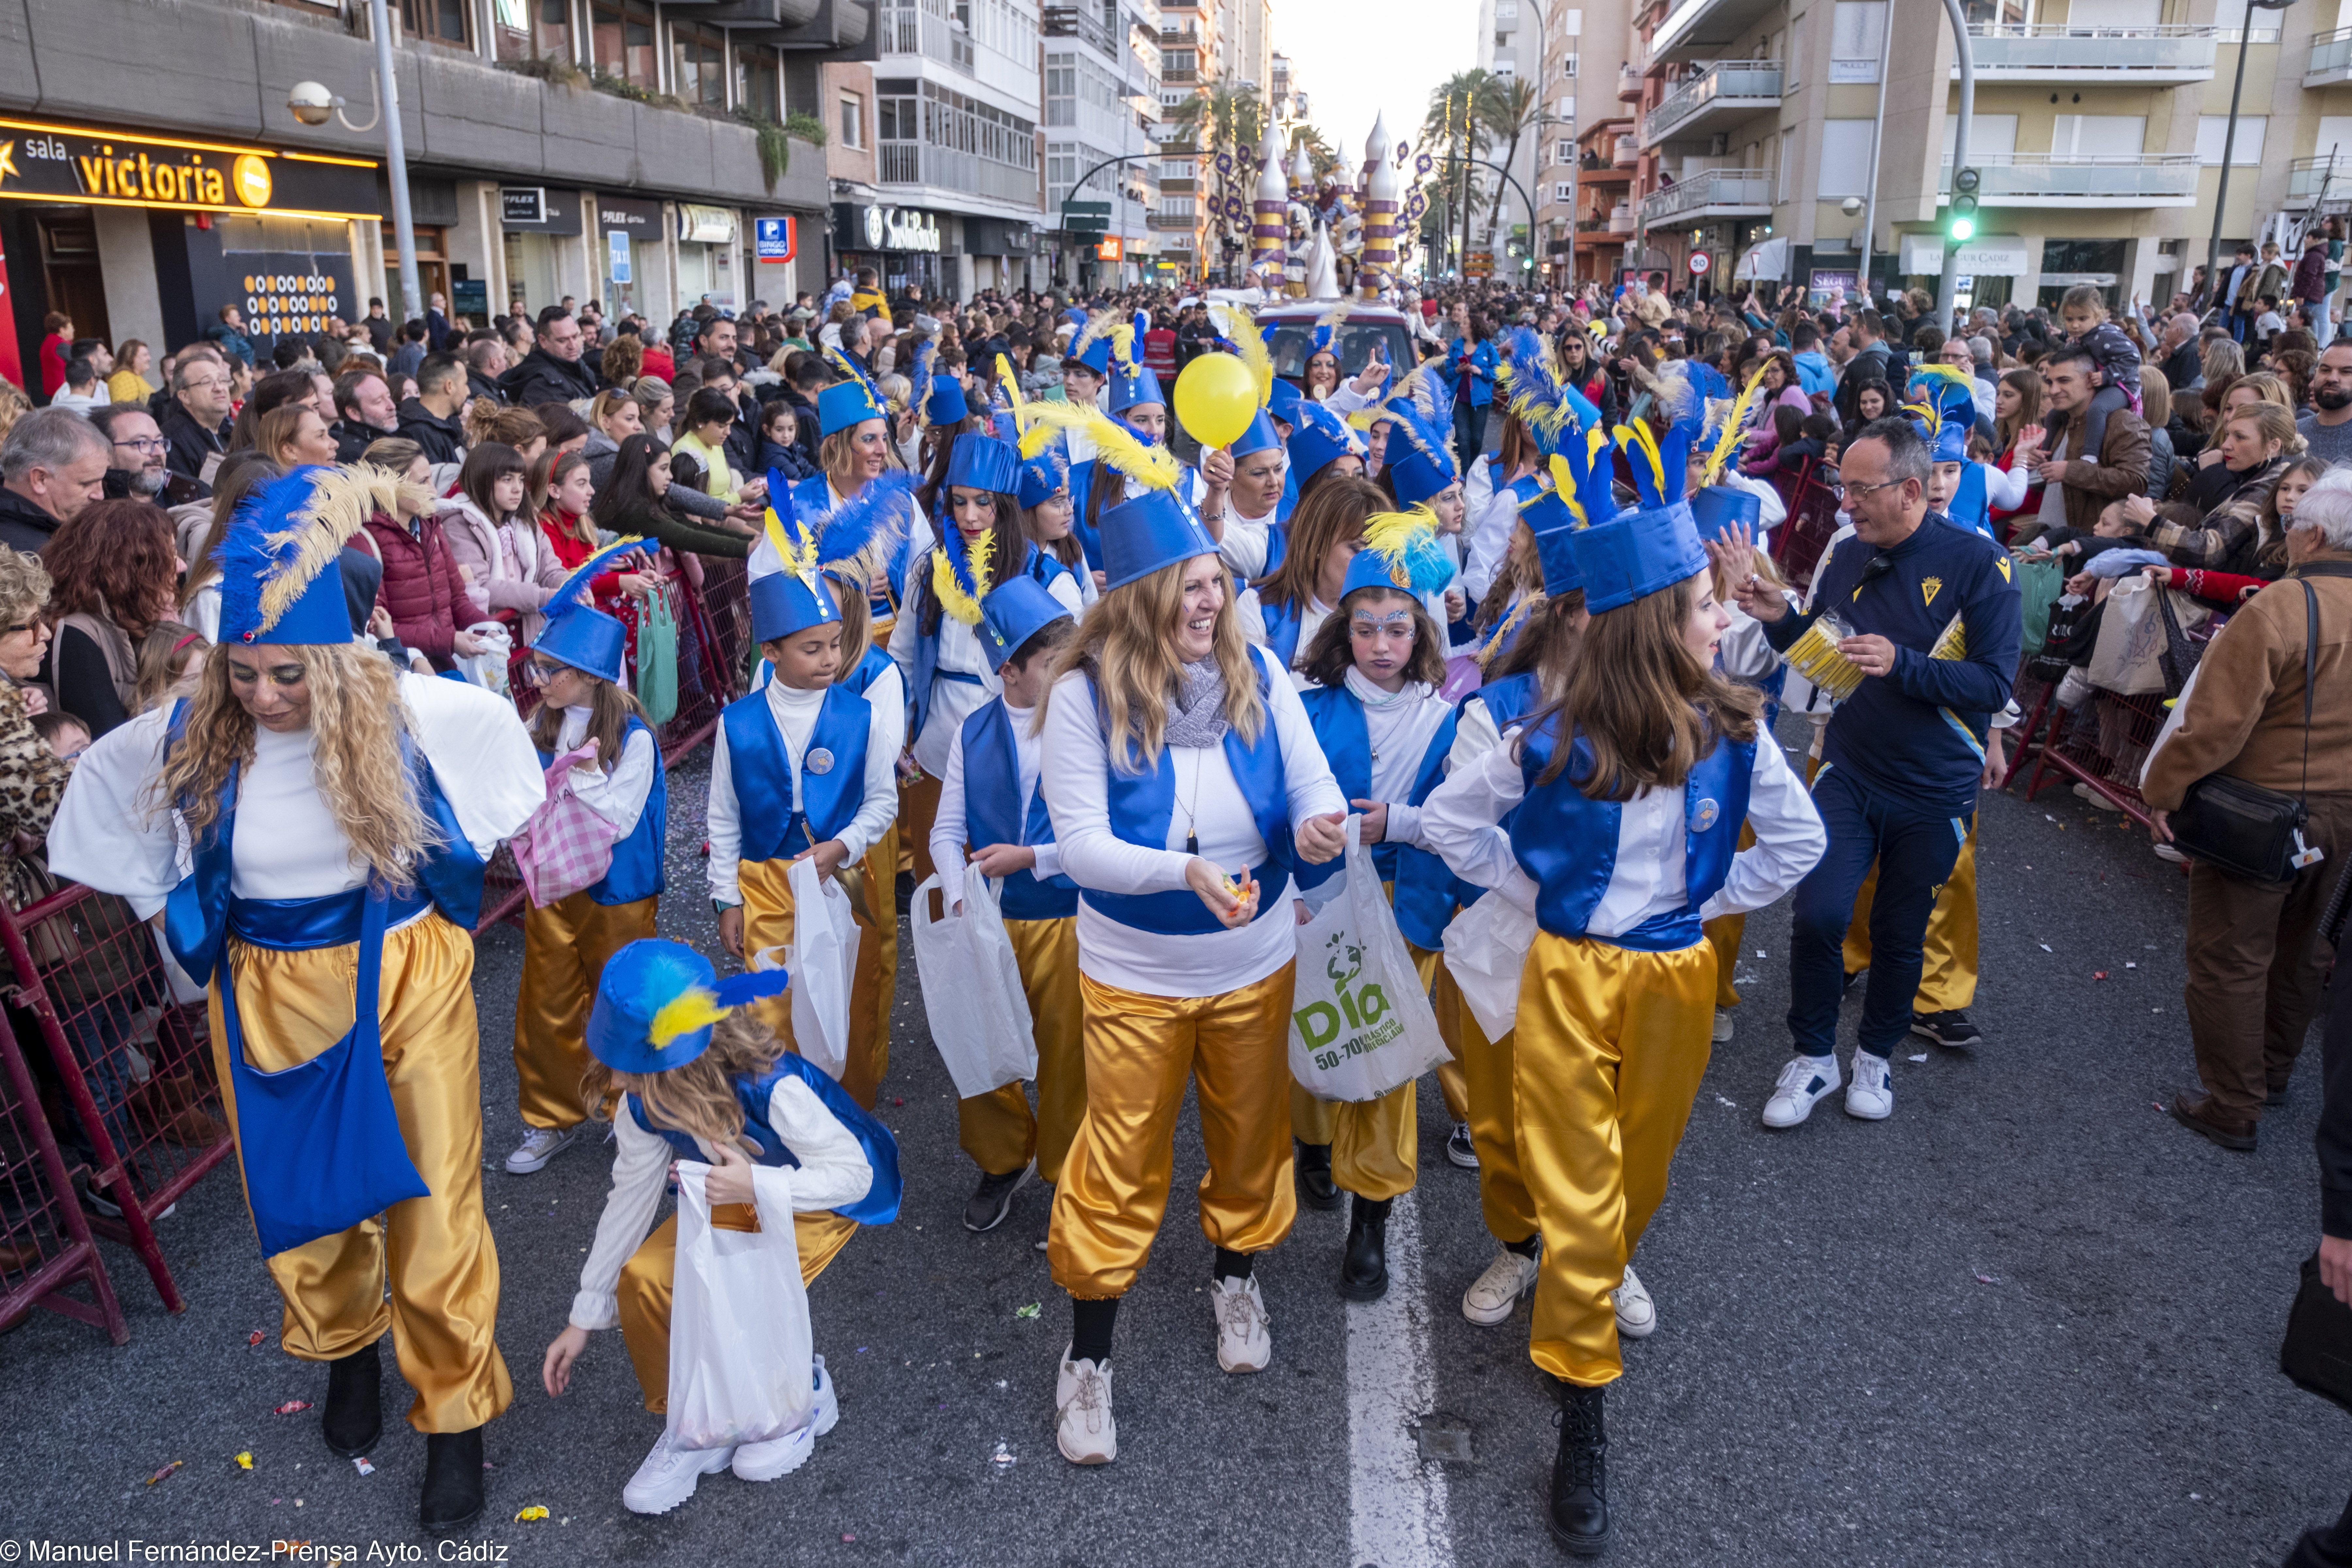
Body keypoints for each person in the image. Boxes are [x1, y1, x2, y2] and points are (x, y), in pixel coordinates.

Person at [47, 465, 543, 1533]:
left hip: (404, 976)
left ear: (337, 661)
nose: (264, 698)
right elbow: (95, 808)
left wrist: (456, 850)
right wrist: (171, 912)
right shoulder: (189, 733)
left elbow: (507, 751)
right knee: (305, 1199)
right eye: (243, 673)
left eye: (288, 676)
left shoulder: (407, 711)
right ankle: (347, 1351)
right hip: (266, 987)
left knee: (433, 1202)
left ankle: (455, 1413)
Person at [1420, 423, 1823, 1554]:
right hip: (1567, 977)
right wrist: (1541, 888)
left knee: (1635, 1178)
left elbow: (1799, 842)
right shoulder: (1549, 733)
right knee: (1584, 1194)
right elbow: (1452, 823)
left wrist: (1703, 899)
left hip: (1673, 979)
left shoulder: (1735, 727)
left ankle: (1580, 1284)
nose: (1722, 619)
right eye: (1704, 605)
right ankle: (1583, 1409)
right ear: (1657, 624)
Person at [1037, 441, 1348, 1467]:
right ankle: (1089, 1357)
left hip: (1253, 961)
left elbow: (1309, 778)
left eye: (1215, 582)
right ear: (1141, 602)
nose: (1209, 603)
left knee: (1251, 1136)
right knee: (1118, 1157)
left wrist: (1320, 824)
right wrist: (1186, 875)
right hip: (1134, 971)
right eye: (1189, 588)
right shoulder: (1082, 697)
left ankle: (1236, 1281)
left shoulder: (1258, 670)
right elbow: (1082, 847)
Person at [539, 939, 897, 1513]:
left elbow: (853, 1177)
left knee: (742, 1290)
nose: (618, 1084)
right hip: (730, 1198)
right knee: (649, 1281)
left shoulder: (771, 1086)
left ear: (674, 1066)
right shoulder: (644, 1100)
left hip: (814, 1201)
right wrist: (585, 1315)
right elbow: (629, 1199)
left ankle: (801, 1398)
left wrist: (758, 1186)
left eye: (628, 1070)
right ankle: (694, 1425)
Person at [1741, 417, 2021, 1129]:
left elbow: (1994, 685)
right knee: (1818, 914)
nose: (1846, 504)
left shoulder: (1981, 564)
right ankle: (1813, 1057)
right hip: (1850, 766)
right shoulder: (1848, 553)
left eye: (1860, 491)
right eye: (1843, 487)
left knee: (1901, 932)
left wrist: (1905, 665)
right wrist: (1781, 620)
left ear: (1911, 491)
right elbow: (1831, 660)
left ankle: (1875, 1055)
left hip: (1935, 787)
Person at [2141, 470, 2352, 1151]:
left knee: (2230, 957)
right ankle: (2272, 1071)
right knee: (2304, 953)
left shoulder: (2283, 605)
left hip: (2262, 811)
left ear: (2311, 535)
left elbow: (2213, 726)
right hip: (2345, 818)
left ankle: (2233, 1103)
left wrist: (2164, 792)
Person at [1289, 507, 1464, 1300]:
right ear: (1344, 630)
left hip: (1407, 901)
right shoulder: (1306, 705)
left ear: (1421, 631)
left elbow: (1463, 823)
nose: (1382, 644)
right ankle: (1312, 1139)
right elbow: (1275, 804)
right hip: (1320, 895)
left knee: (1385, 1055)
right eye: (1365, 629)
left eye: (1398, 628)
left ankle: (1372, 1216)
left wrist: (1399, 824)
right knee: (1319, 1028)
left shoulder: (1446, 719)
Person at [707, 491, 901, 1086]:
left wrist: (843, 847)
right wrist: (727, 898)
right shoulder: (737, 723)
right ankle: (782, 1115)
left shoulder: (860, 717)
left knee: (842, 1004)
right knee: (772, 1012)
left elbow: (883, 802)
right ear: (771, 652)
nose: (830, 659)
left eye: (835, 644)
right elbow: (724, 815)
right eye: (812, 649)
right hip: (766, 883)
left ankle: (847, 1114)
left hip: (839, 878)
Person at [925, 578, 1085, 1235]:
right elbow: (945, 831)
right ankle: (1002, 1159)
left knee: (1069, 1053)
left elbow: (1107, 838)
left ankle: (1069, 1172)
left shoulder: (1089, 726)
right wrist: (959, 895)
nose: (1066, 675)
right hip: (991, 919)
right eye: (1051, 664)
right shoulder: (974, 730)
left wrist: (1035, 859)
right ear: (1008, 670)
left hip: (1069, 919)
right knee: (984, 1042)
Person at [505, 542, 668, 1176]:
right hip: (554, 884)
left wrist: (577, 774)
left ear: (595, 674)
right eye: (539, 668)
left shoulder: (634, 737)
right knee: (546, 999)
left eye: (555, 671)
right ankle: (552, 1116)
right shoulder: (539, 724)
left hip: (619, 890)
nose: (541, 681)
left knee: (621, 999)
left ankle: (633, 1112)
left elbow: (620, 820)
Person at [891, 429, 1080, 887]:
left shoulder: (1050, 581)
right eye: (959, 502)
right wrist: (896, 735)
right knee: (941, 884)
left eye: (983, 502)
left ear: (1007, 505)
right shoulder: (929, 571)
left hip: (1025, 760)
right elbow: (902, 659)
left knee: (1015, 890)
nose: (970, 516)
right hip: (938, 752)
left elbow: (1075, 678)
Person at [39, 497, 179, 739]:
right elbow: (110, 741)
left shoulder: (131, 619)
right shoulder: (74, 636)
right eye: (170, 557)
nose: (181, 566)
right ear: (132, 569)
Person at [2010, 346, 2149, 546]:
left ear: (2090, 380)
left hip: (2087, 547)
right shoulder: (2060, 421)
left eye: (2064, 381)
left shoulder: (2123, 423)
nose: (2053, 391)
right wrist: (2032, 463)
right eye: (2050, 382)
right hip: (2051, 540)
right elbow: (2057, 484)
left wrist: (2071, 471)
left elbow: (2136, 482)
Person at [0, 407, 110, 549]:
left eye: (101, 480)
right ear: (40, 479)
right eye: (86, 484)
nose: (100, 495)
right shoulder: (25, 553)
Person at [156, 353, 235, 492]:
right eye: (207, 382)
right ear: (185, 396)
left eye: (222, 380)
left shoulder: (230, 428)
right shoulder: (173, 441)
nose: (219, 388)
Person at [397, 356, 469, 466]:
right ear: (449, 386)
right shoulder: (419, 433)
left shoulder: (450, 420)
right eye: (465, 384)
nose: (468, 392)